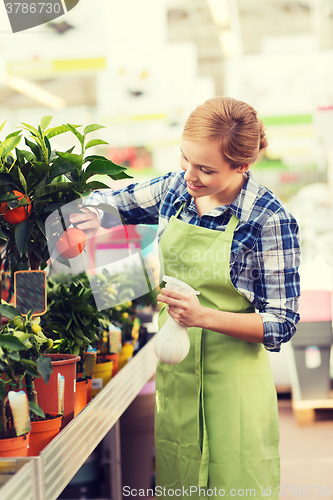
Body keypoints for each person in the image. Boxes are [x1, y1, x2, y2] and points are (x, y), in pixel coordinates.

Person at [72, 96, 300, 498]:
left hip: (233, 384)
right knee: (180, 483)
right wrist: (80, 224)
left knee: (235, 483)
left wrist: (202, 316)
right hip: (176, 373)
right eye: (185, 159)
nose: (190, 175)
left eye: (206, 169)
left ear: (242, 166)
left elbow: (281, 323)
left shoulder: (268, 219)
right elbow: (112, 205)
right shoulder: (176, 191)